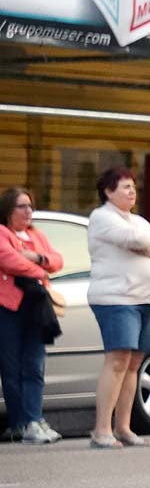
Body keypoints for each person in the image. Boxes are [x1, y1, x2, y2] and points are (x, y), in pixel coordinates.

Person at [86, 167, 150, 449]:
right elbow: (136, 240)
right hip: (116, 299)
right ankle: (102, 430)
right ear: (108, 192)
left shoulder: (138, 220)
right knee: (118, 360)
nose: (132, 191)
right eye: (125, 187)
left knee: (135, 363)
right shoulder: (102, 217)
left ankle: (123, 427)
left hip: (144, 299)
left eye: (133, 186)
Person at [0, 187, 64, 444]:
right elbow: (9, 260)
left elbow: (57, 260)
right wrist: (41, 271)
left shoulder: (36, 235)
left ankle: (34, 419)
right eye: (22, 206)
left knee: (35, 365)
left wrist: (38, 257)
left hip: (36, 307)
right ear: (8, 209)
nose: (28, 212)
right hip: (9, 308)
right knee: (11, 367)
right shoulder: (2, 233)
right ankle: (19, 423)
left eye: (30, 206)